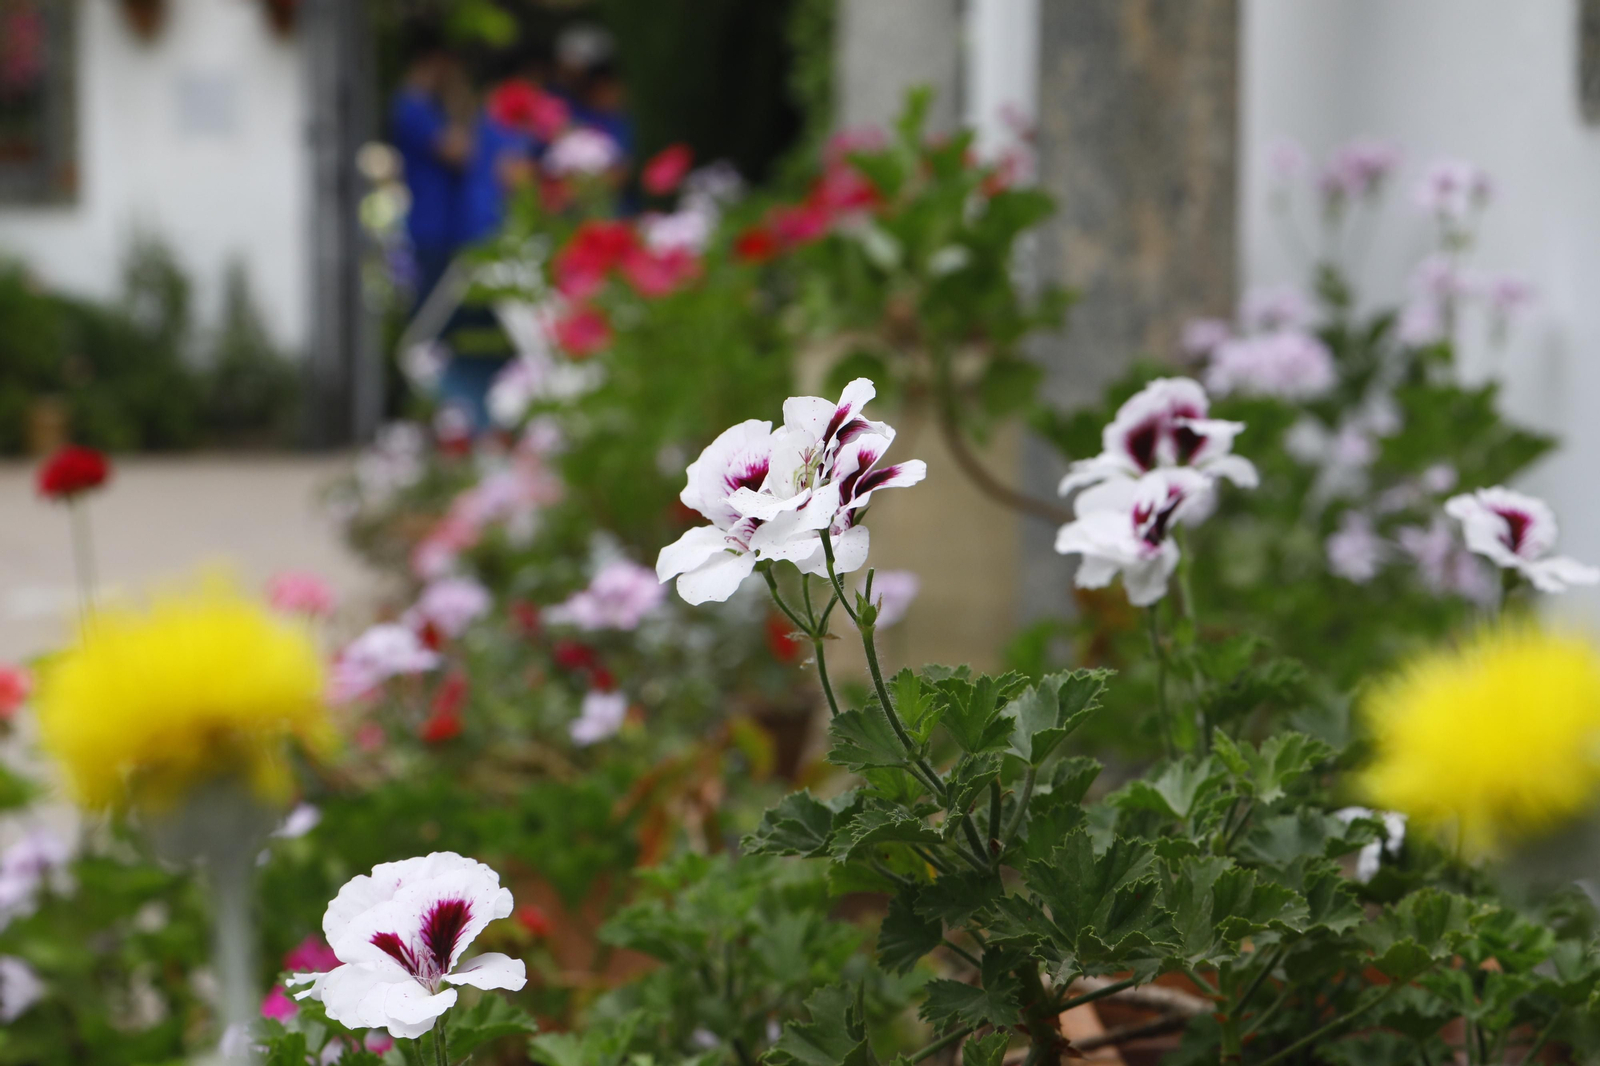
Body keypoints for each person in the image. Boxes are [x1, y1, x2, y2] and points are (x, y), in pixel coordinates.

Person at [390, 30, 472, 308]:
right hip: (429, 226)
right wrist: (459, 98)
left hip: (443, 225)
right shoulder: (412, 106)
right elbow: (458, 152)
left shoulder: (428, 107)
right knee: (429, 312)